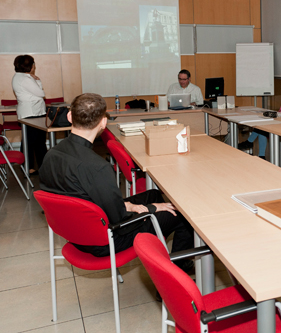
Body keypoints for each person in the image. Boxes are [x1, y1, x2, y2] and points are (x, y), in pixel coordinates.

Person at [38, 93, 194, 270]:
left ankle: (159, 254)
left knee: (154, 195)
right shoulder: (97, 167)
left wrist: (130, 205)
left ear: (69, 116)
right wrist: (151, 209)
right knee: (182, 213)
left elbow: (82, 198)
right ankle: (176, 272)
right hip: (104, 240)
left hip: (74, 233)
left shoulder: (51, 155)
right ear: (103, 123)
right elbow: (119, 219)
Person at [239, 82, 281, 161]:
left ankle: (249, 143)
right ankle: (261, 155)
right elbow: (280, 112)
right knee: (262, 127)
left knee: (262, 129)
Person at [12, 55, 47, 174]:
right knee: (34, 142)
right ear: (30, 66)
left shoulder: (19, 76)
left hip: (31, 112)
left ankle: (33, 166)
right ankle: (29, 167)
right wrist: (38, 80)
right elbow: (41, 93)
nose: (34, 66)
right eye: (33, 64)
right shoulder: (26, 79)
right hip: (32, 113)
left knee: (32, 141)